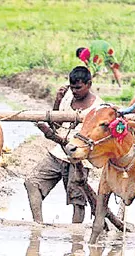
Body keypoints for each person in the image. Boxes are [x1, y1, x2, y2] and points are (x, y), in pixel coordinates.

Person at [24, 66, 104, 224]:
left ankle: (76, 235)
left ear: (89, 84)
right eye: (72, 87)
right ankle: (38, 225)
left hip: (79, 158)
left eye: (79, 88)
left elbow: (84, 143)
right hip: (58, 154)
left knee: (77, 200)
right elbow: (57, 124)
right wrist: (57, 101)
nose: (74, 91)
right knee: (32, 182)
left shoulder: (97, 109)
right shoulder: (67, 97)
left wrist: (51, 135)